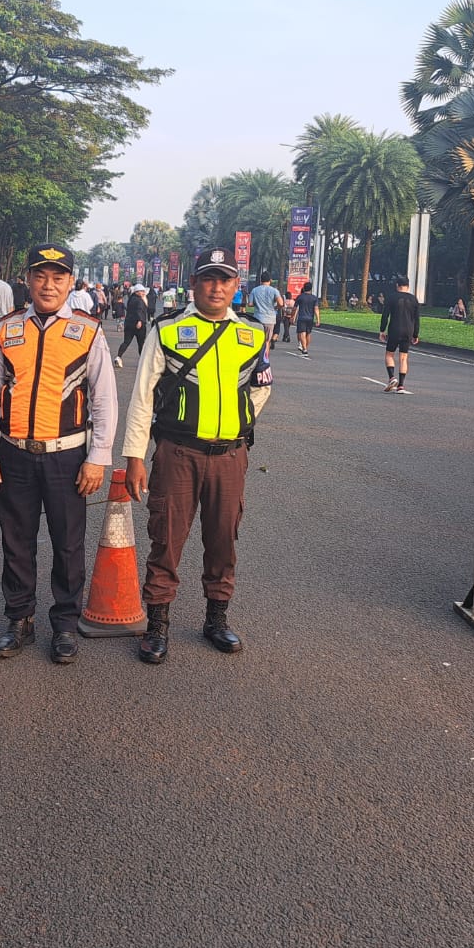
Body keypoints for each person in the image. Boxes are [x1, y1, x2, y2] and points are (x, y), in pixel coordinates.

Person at [122, 247, 272, 663]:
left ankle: (216, 619)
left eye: (225, 279)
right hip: (178, 454)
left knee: (223, 539)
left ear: (236, 287)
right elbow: (142, 397)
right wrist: (135, 456)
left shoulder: (252, 334)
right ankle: (157, 625)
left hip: (230, 456)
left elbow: (261, 386)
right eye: (208, 278)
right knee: (166, 538)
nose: (216, 287)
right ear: (193, 283)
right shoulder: (168, 329)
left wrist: (237, 422)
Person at [0, 244, 118, 664]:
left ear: (71, 283)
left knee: (68, 543)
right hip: (14, 453)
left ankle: (65, 624)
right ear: (28, 279)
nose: (49, 284)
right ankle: (19, 619)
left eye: (58, 277)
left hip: (68, 456)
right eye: (41, 276)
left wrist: (98, 457)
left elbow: (104, 399)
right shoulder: (7, 329)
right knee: (16, 541)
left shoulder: (87, 332)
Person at [378, 275, 421, 393]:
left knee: (389, 354)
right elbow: (417, 319)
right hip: (408, 331)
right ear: (408, 286)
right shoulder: (414, 299)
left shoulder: (391, 298)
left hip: (394, 329)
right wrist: (415, 334)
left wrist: (382, 330)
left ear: (397, 285)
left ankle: (392, 377)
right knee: (403, 358)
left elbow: (385, 315)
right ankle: (401, 385)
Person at [117, 282, 151, 367]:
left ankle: (118, 357)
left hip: (128, 323)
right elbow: (139, 310)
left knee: (126, 342)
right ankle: (144, 362)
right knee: (141, 343)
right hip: (138, 324)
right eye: (142, 291)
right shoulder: (139, 300)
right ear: (137, 292)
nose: (143, 293)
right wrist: (139, 320)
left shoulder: (131, 299)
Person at [248, 271, 283, 351]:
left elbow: (250, 304)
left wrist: (257, 304)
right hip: (270, 319)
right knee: (267, 341)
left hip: (258, 319)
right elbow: (281, 303)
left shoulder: (254, 290)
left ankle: (257, 359)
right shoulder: (274, 291)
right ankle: (265, 359)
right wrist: (275, 307)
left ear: (261, 280)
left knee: (258, 341)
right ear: (270, 280)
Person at [293, 280, 320, 356]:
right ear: (311, 289)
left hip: (302, 317)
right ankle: (305, 348)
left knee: (302, 333)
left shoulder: (300, 297)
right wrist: (318, 319)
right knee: (308, 333)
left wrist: (292, 317)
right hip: (310, 318)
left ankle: (304, 349)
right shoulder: (314, 298)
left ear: (304, 288)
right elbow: (316, 309)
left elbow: (294, 308)